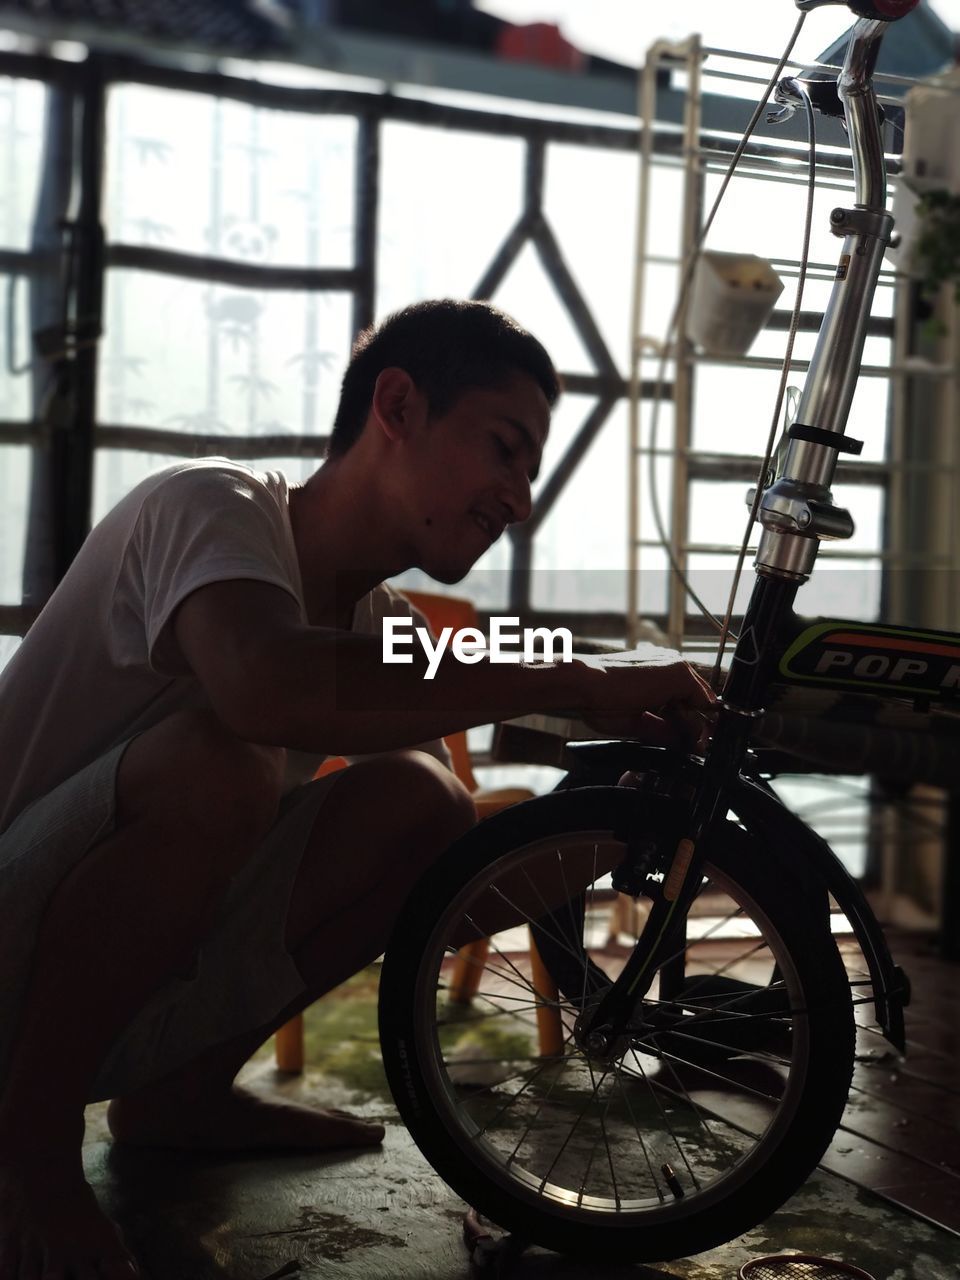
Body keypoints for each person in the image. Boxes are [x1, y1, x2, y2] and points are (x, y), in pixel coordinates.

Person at [0, 298, 715, 1276]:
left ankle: (177, 1096)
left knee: (423, 804)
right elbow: (267, 684)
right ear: (398, 405)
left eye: (530, 472)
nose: (519, 500)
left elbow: (452, 870)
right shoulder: (213, 505)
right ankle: (29, 1143)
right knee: (222, 761)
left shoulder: (382, 624)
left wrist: (627, 816)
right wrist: (579, 679)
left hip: (89, 987)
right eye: (504, 449)